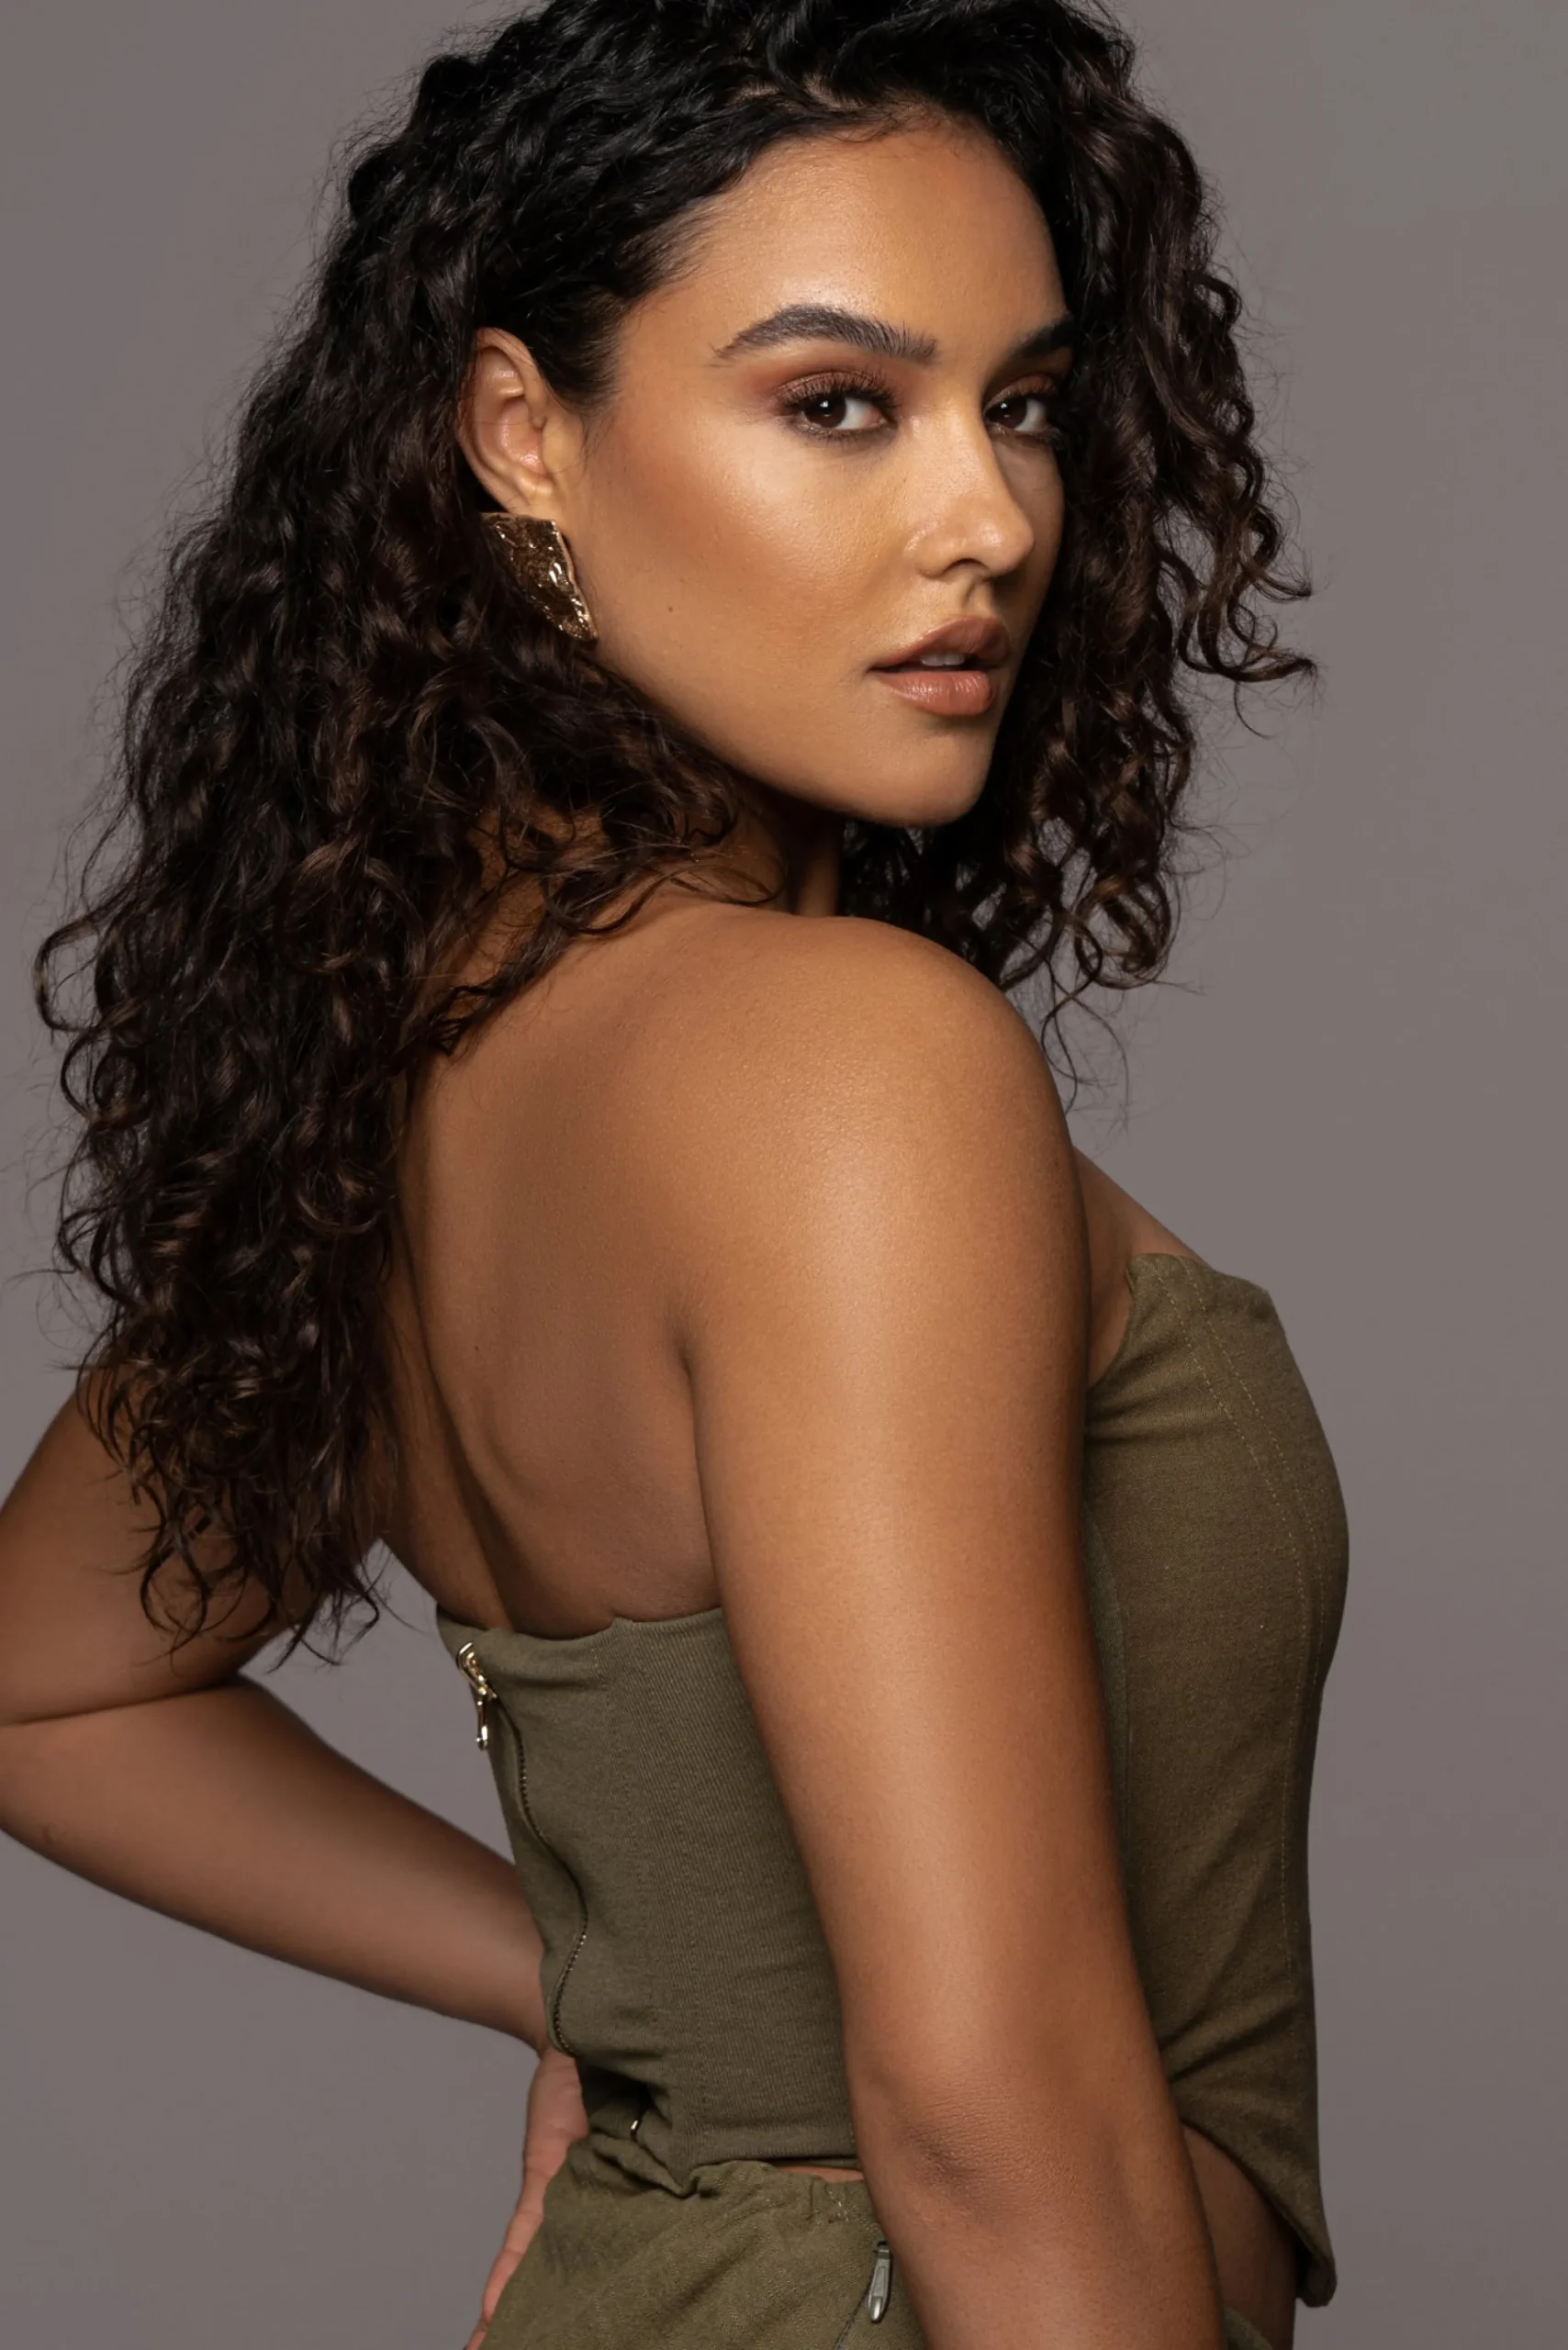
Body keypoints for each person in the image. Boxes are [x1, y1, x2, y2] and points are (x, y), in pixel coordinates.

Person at [0, 5, 1348, 2346]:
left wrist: (605, 1985)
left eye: (1021, 404)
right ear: (521, 435)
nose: (990, 519)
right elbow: (989, 2127)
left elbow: (44, 1685)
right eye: (837, 404)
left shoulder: (401, 1071)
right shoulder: (845, 1069)